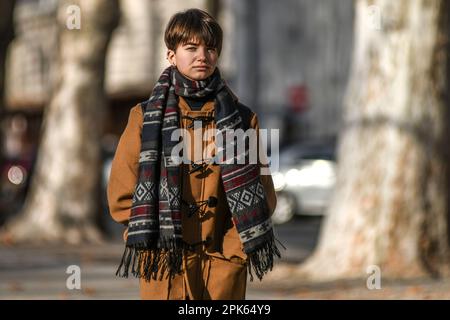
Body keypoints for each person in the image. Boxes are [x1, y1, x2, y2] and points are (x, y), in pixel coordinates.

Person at [107, 8, 281, 300]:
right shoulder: (144, 116)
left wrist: (233, 251)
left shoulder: (242, 118)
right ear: (171, 55)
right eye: (191, 47)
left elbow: (264, 196)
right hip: (163, 267)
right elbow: (121, 194)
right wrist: (152, 242)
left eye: (210, 48)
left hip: (223, 268)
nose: (203, 55)